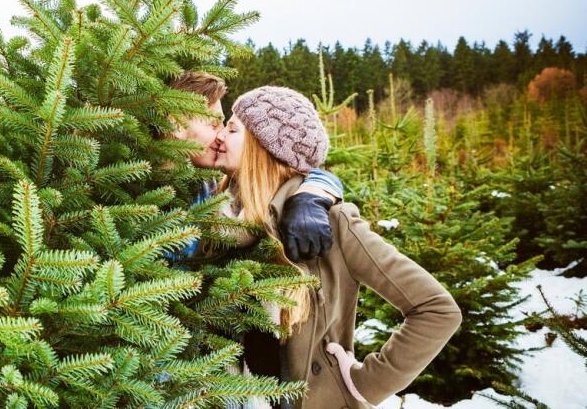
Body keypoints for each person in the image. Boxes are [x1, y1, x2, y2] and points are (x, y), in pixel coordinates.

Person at [212, 85, 462, 409]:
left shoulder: (331, 223)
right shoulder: (216, 217)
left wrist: (362, 387)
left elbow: (437, 309)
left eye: (232, 129)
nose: (219, 136)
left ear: (262, 147)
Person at [163, 72, 343, 264]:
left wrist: (310, 199)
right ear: (176, 124)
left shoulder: (211, 188)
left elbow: (291, 170)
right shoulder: (130, 184)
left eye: (227, 127)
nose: (221, 135)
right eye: (213, 124)